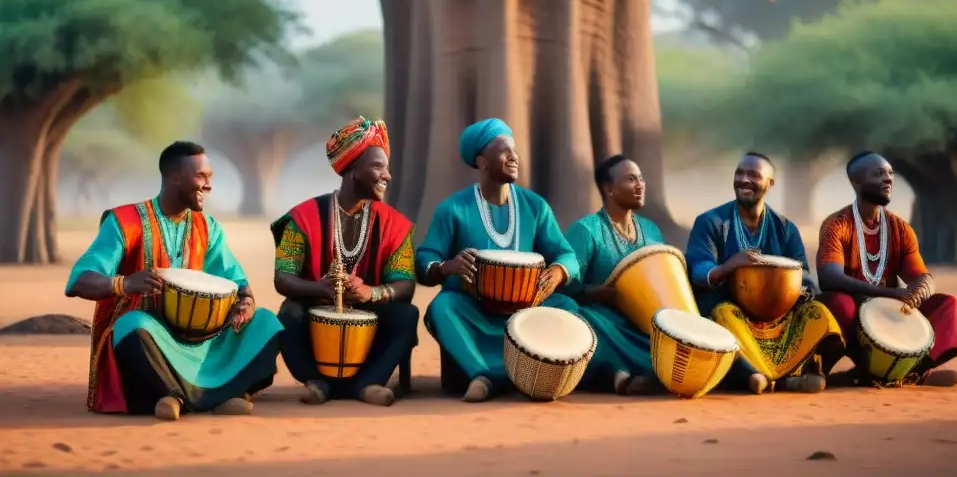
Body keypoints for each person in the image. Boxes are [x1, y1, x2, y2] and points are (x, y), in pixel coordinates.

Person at [65, 141, 283, 420]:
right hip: (150, 339)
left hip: (199, 337)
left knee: (266, 324)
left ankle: (181, 398)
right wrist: (124, 283)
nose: (208, 185)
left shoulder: (207, 227)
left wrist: (246, 302)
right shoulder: (125, 221)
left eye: (210, 177)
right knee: (133, 325)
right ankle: (205, 397)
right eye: (201, 177)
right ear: (174, 177)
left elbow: (236, 280)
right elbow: (78, 281)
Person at [415, 118, 581, 402]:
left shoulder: (535, 206)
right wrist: (447, 267)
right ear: (482, 161)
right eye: (504, 150)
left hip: (527, 311)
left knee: (568, 307)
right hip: (475, 312)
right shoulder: (454, 208)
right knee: (443, 306)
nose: (514, 156)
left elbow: (567, 255)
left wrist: (557, 272)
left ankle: (538, 374)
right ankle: (483, 376)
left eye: (515, 150)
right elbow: (424, 259)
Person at [271, 117, 418, 407]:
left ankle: (369, 383)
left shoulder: (394, 225)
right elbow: (282, 278)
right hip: (317, 313)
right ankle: (316, 382)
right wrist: (322, 289)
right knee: (289, 314)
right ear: (352, 170)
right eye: (378, 166)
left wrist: (371, 293)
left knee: (406, 315)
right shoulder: (303, 218)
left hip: (370, 316)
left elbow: (405, 283)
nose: (387, 176)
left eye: (386, 168)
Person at [685, 152, 844, 395]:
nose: (744, 180)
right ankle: (765, 376)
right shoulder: (711, 222)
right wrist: (731, 266)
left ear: (770, 184)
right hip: (731, 309)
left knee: (819, 313)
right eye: (739, 173)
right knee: (722, 316)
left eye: (753, 175)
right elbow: (699, 269)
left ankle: (774, 377)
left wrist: (796, 291)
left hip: (777, 315)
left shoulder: (785, 228)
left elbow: (803, 276)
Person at [816, 151, 957, 387]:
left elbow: (918, 277)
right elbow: (829, 277)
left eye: (890, 173)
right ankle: (864, 370)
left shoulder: (900, 229)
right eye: (878, 174)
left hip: (892, 313)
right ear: (856, 181)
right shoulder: (837, 224)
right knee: (836, 304)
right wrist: (892, 294)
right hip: (856, 312)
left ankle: (913, 371)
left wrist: (924, 286)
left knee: (947, 305)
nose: (888, 179)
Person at [562, 154, 664, 395]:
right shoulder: (585, 230)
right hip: (604, 318)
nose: (640, 185)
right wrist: (591, 293)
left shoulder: (652, 231)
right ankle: (621, 374)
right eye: (631, 179)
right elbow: (566, 284)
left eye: (641, 179)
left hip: (645, 320)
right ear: (609, 189)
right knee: (581, 318)